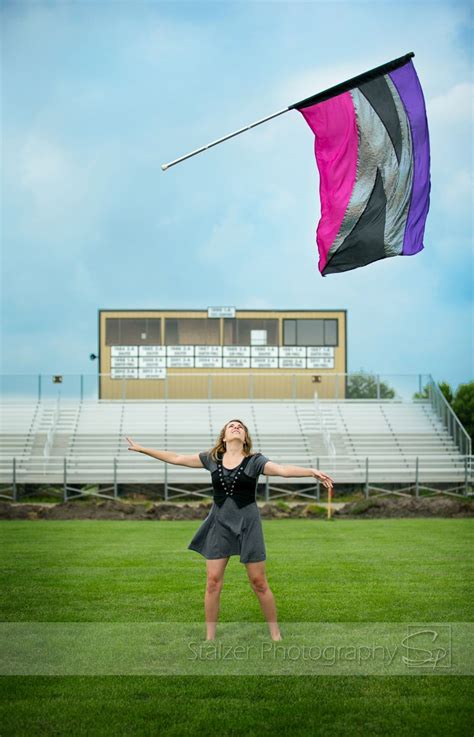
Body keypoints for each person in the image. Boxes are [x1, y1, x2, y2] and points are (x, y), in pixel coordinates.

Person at [125, 419, 334, 642]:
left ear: (245, 438)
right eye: (231, 426)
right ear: (224, 437)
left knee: (259, 583)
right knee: (213, 581)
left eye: (240, 427)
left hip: (248, 523)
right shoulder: (212, 459)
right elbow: (176, 458)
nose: (236, 427)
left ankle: (275, 634)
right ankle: (210, 638)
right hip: (219, 522)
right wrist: (143, 449)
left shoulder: (255, 461)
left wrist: (310, 471)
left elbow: (282, 470)